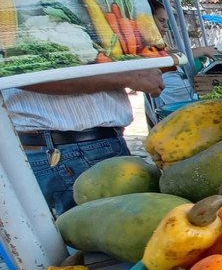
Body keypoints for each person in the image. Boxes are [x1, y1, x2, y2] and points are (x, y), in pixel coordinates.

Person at [4, 70, 164, 217]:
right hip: (77, 151)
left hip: (63, 148)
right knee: (117, 227)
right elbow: (23, 73)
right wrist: (129, 77)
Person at [147, 0, 218, 105]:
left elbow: (168, 54)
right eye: (161, 20)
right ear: (148, 19)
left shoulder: (159, 45)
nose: (166, 26)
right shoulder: (143, 47)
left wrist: (202, 51)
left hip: (182, 100)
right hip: (168, 104)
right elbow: (162, 58)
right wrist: (203, 51)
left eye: (166, 21)